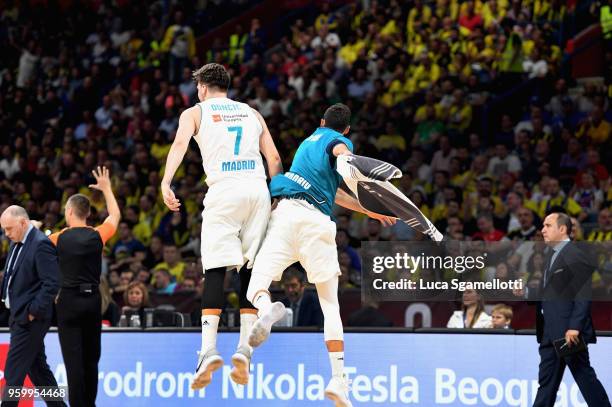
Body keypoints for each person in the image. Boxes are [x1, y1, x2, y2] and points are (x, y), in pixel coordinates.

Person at [245, 103, 395, 407]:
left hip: (285, 214)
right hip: (315, 224)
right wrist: (346, 155)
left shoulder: (306, 144)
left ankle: (267, 310)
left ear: (321, 121)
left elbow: (336, 193)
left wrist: (368, 209)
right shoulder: (338, 141)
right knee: (330, 305)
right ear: (347, 129)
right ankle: (339, 381)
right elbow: (339, 150)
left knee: (255, 287)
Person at [160, 63, 282, 389]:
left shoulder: (195, 112)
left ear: (202, 86)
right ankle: (244, 350)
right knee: (249, 272)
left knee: (215, 269)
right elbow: (274, 159)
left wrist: (166, 181)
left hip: (225, 191)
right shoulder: (252, 112)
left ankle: (208, 349)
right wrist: (276, 194)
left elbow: (179, 145)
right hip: (257, 189)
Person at [48, 166, 120, 407]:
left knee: (73, 361)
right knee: (91, 359)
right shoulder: (97, 235)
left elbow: (41, 260)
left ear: (69, 211)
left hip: (67, 301)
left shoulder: (57, 238)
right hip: (92, 301)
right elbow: (114, 217)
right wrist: (107, 189)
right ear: (88, 213)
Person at [532, 212, 610, 406]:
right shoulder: (551, 254)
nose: (543, 230)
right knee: (547, 384)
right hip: (550, 331)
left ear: (562, 229)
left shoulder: (576, 254)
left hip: (568, 332)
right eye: (543, 226)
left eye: (548, 225)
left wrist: (575, 326)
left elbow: (582, 295)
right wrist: (525, 291)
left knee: (585, 379)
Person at [0, 206, 65, 407]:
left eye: (9, 228)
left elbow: (52, 283)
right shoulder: (17, 242)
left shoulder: (40, 244)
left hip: (30, 318)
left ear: (23, 223)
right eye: (4, 229)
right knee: (39, 371)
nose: (6, 234)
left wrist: (33, 312)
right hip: (18, 315)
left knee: (13, 373)